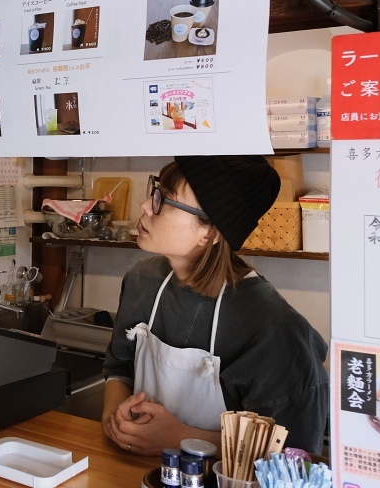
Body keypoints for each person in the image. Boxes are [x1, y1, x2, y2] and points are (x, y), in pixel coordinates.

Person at [102, 156, 329, 455]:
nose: (145, 206)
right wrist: (116, 420)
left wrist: (180, 438)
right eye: (154, 190)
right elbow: (119, 369)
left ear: (208, 232)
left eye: (162, 200)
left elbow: (295, 451)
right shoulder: (142, 281)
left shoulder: (272, 325)